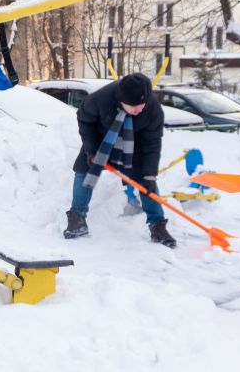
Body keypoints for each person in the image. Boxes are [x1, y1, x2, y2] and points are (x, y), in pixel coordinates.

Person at [63, 73, 176, 248]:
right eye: (134, 106)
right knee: (84, 172)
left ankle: (157, 225)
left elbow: (152, 144)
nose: (140, 109)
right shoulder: (99, 100)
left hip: (133, 146)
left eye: (143, 104)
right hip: (102, 139)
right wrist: (91, 150)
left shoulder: (152, 110)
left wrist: (150, 175)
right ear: (122, 100)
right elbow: (84, 120)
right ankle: (77, 218)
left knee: (146, 182)